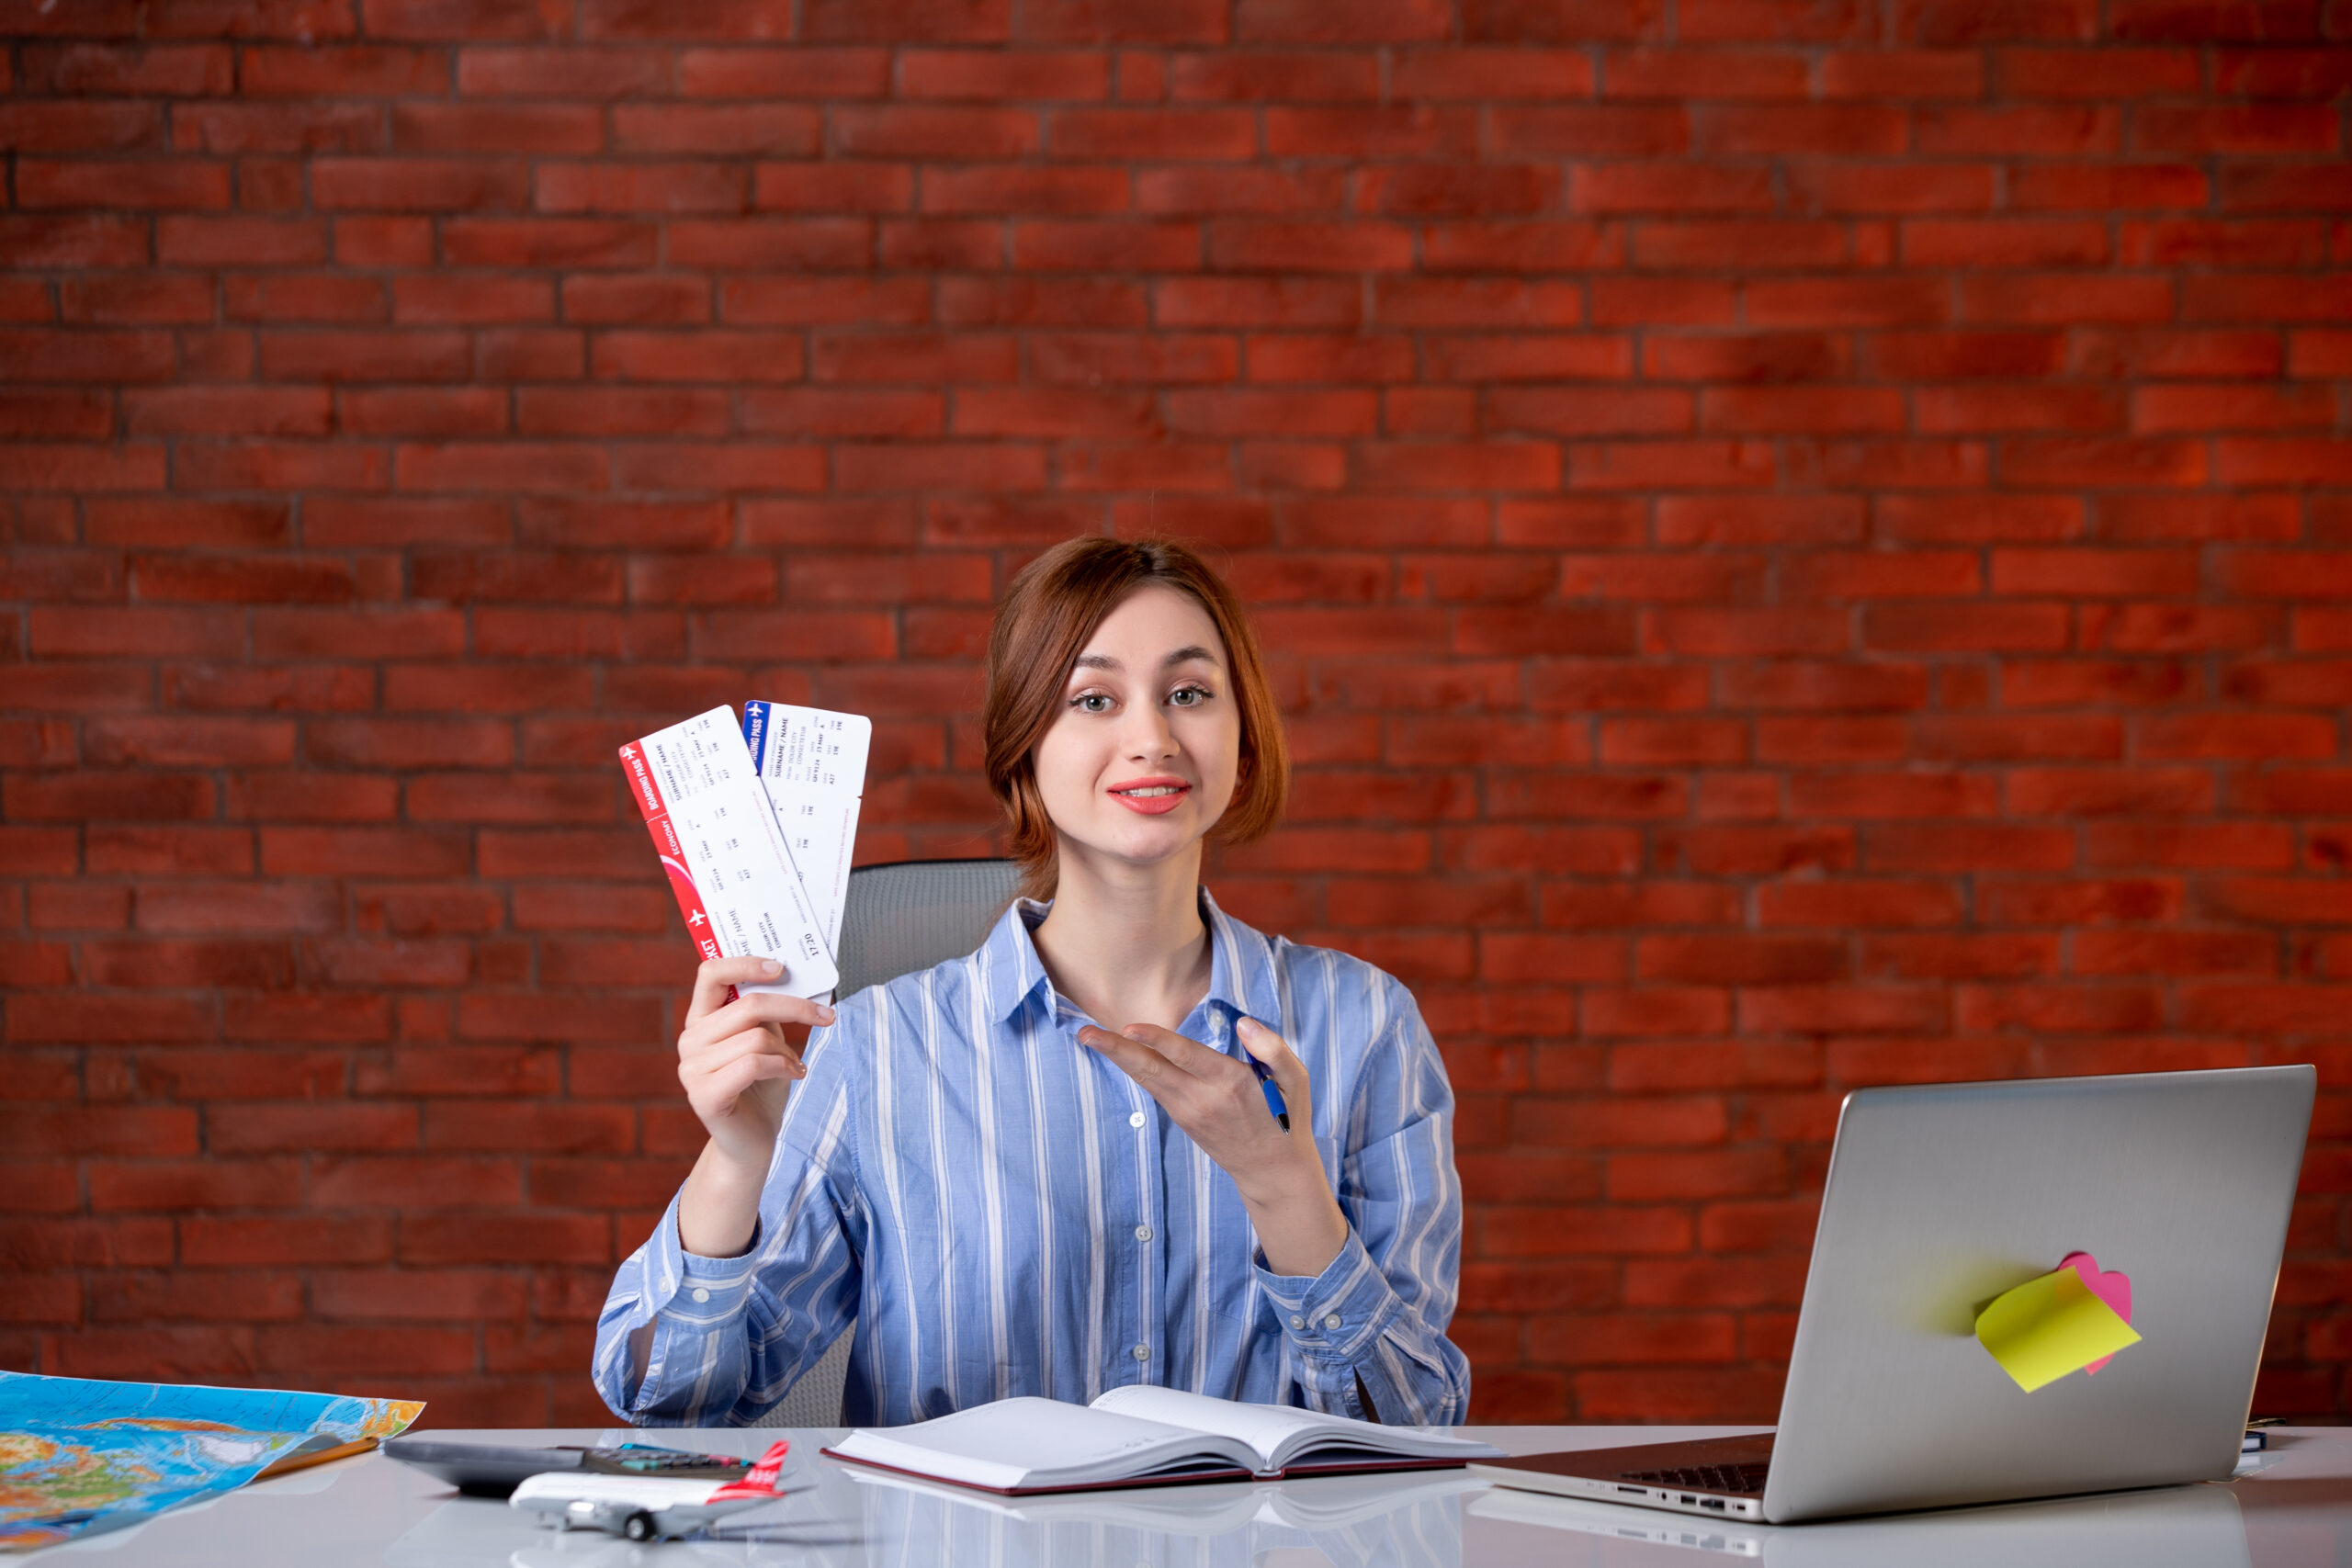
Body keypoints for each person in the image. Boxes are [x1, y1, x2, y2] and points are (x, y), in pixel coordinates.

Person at [591, 538, 1470, 1427]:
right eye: (1093, 699)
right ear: (1023, 750)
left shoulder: (1364, 1028)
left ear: (1242, 745)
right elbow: (671, 1405)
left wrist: (1285, 1191)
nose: (1151, 739)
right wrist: (736, 1161)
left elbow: (1411, 1428)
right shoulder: (876, 1047)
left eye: (1189, 694)